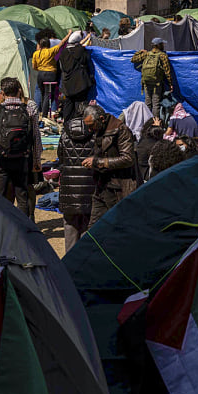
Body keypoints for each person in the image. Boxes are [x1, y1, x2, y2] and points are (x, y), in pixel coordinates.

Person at [0, 77, 41, 218]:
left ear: (2, 92)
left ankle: (2, 226)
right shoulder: (29, 110)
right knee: (22, 196)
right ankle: (24, 227)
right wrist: (36, 161)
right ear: (19, 91)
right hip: (23, 158)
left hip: (2, 159)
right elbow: (36, 136)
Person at [81, 104, 137, 225]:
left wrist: (98, 162)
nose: (90, 130)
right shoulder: (99, 130)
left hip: (117, 189)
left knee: (117, 226)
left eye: (91, 126)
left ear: (101, 119)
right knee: (94, 228)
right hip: (101, 186)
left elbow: (128, 159)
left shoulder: (120, 130)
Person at [56, 111, 96, 250]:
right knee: (88, 224)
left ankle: (69, 264)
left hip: (69, 186)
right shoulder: (95, 132)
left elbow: (60, 156)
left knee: (70, 226)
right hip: (90, 186)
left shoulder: (65, 133)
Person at [57, 30, 94, 121]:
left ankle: (67, 125)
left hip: (67, 84)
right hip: (80, 83)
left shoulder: (64, 52)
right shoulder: (81, 51)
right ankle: (80, 125)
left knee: (68, 105)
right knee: (80, 107)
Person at [132, 39, 173, 114]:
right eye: (162, 44)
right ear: (159, 45)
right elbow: (167, 71)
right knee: (156, 104)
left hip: (146, 82)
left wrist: (140, 51)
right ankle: (155, 124)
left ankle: (147, 122)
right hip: (157, 83)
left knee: (148, 103)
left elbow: (133, 59)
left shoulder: (147, 54)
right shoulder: (162, 55)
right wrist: (170, 84)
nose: (163, 45)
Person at [31, 34, 60, 119]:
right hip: (50, 74)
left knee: (42, 93)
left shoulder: (36, 53)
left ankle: (39, 112)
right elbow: (61, 44)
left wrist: (40, 69)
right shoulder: (50, 51)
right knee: (49, 94)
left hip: (40, 74)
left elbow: (33, 67)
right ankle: (44, 115)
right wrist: (69, 34)